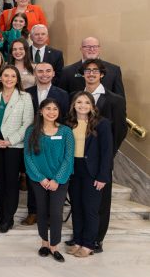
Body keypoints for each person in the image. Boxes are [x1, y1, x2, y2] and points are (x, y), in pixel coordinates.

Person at [80, 58, 128, 253]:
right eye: (87, 70)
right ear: (83, 74)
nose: (91, 74)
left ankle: (97, 239)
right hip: (78, 159)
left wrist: (107, 157)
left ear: (102, 75)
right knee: (81, 200)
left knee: (101, 202)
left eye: (95, 71)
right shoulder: (76, 96)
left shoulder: (115, 100)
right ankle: (82, 236)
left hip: (101, 161)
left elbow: (120, 131)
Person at [24, 98, 74, 263]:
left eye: (55, 109)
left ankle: (54, 246)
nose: (51, 112)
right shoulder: (31, 131)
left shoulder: (66, 131)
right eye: (48, 109)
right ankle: (44, 243)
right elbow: (28, 157)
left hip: (60, 180)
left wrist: (57, 179)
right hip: (39, 179)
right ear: (41, 111)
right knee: (42, 211)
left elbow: (68, 158)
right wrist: (41, 178)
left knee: (56, 212)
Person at [66, 91, 112, 258]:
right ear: (73, 105)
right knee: (76, 208)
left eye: (87, 103)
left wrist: (103, 176)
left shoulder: (102, 124)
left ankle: (88, 244)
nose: (83, 105)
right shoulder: (68, 123)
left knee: (90, 209)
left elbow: (107, 152)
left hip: (92, 172)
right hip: (73, 170)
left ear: (93, 106)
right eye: (79, 102)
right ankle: (77, 240)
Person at [0, 65, 34, 233]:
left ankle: (9, 218)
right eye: (5, 76)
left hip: (13, 146)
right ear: (0, 78)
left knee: (11, 183)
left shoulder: (24, 97)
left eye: (12, 76)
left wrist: (9, 141)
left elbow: (28, 124)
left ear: (17, 79)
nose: (9, 79)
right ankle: (0, 215)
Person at [24, 61, 69, 226]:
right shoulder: (26, 93)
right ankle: (33, 211)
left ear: (53, 73)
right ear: (35, 73)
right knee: (33, 175)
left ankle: (52, 214)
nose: (44, 74)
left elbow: (64, 119)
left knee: (52, 174)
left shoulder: (63, 94)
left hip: (54, 139)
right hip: (33, 137)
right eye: (40, 71)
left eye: (48, 71)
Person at [58, 37, 125, 98]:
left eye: (95, 46)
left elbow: (120, 99)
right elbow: (62, 99)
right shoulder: (67, 71)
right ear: (81, 49)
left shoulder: (114, 70)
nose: (92, 49)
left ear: (99, 49)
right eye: (87, 47)